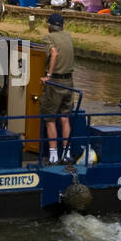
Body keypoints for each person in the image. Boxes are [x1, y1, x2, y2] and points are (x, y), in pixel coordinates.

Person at [40, 13, 76, 165]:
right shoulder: (68, 36)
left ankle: (53, 156)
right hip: (69, 82)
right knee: (65, 118)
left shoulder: (49, 38)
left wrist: (48, 75)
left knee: (50, 119)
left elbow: (54, 53)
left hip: (55, 82)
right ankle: (66, 154)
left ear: (50, 25)